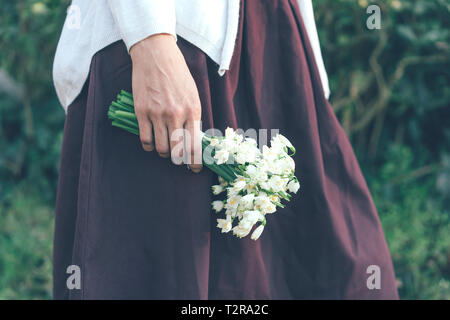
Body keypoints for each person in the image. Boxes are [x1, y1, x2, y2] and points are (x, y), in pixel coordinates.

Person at [52, 0, 399, 299]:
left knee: (333, 271)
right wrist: (151, 41)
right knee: (168, 278)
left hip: (272, 36)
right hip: (178, 37)